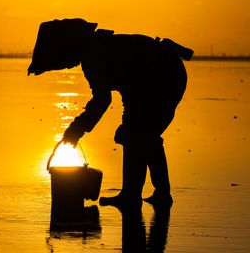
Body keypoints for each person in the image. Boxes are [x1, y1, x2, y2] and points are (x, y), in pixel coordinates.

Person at [28, 18, 193, 209]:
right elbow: (128, 86)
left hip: (165, 75)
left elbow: (102, 101)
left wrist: (76, 130)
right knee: (136, 133)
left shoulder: (94, 55)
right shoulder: (97, 47)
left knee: (140, 134)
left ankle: (147, 194)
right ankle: (139, 194)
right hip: (152, 79)